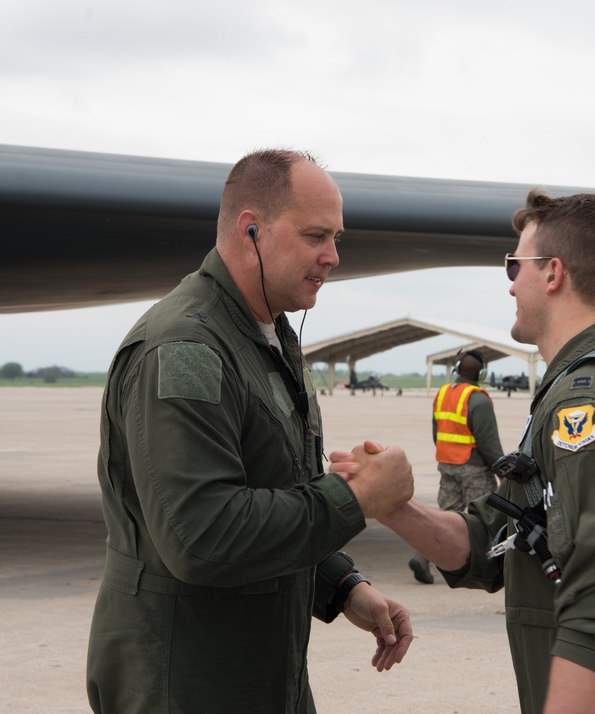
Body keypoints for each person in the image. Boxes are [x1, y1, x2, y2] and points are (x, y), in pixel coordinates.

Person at [331, 190, 595, 713]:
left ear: (553, 273)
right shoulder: (581, 387)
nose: (511, 281)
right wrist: (390, 503)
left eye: (516, 264)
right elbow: (495, 545)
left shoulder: (587, 404)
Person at [86, 149, 415, 714]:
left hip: (259, 672)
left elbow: (273, 491)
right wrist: (356, 498)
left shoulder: (265, 335)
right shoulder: (187, 350)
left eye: (337, 238)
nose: (333, 257)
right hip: (186, 680)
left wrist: (339, 585)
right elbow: (202, 536)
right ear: (252, 230)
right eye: (316, 235)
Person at [408, 349, 503, 584]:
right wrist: (502, 471)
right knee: (482, 520)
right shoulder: (478, 399)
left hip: (447, 464)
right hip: (475, 470)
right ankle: (486, 570)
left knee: (447, 517)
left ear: (457, 369)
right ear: (480, 373)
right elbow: (488, 443)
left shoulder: (442, 394)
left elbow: (436, 432)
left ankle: (422, 557)